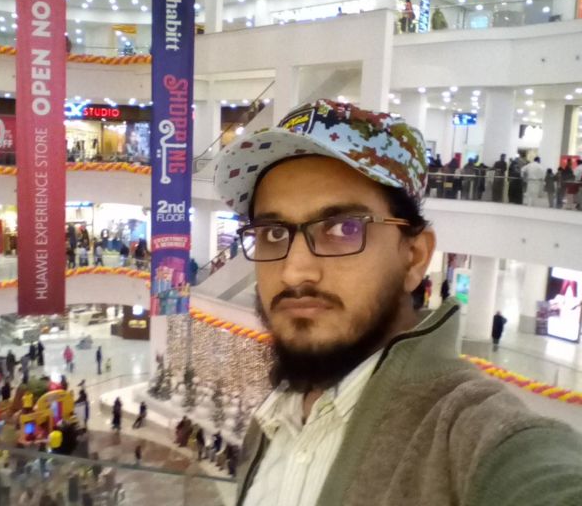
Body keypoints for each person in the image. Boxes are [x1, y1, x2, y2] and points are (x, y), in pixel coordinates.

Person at [213, 99, 582, 505]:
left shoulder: (463, 432)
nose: (294, 272)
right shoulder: (270, 422)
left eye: (343, 228)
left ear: (415, 257)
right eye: (273, 233)